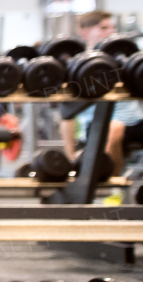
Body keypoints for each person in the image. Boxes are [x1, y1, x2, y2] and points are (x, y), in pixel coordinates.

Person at [59, 9, 143, 174]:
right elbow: (66, 115)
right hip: (98, 124)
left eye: (113, 27)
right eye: (104, 28)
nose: (111, 32)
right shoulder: (76, 67)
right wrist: (70, 158)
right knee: (114, 128)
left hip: (136, 122)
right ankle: (114, 189)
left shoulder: (127, 60)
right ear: (85, 32)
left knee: (117, 128)